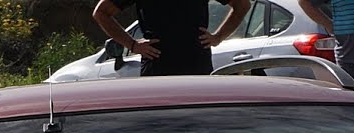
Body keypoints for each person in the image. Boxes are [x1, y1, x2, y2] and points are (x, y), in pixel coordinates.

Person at [91, 0, 249, 77]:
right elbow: (101, 13)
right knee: (159, 127)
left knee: (198, 125)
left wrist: (218, 37)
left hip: (196, 65)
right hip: (157, 66)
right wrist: (132, 44)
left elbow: (242, 5)